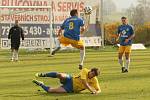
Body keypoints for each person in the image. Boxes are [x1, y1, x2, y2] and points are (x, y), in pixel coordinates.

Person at [32, 68, 101, 94]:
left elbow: (99, 90)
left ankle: (41, 84)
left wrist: (96, 92)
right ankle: (43, 75)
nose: (92, 75)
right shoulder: (85, 70)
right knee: (60, 75)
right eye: (92, 73)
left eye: (94, 75)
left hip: (70, 89)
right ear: (91, 70)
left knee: (51, 91)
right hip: (70, 79)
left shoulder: (94, 80)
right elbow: (84, 82)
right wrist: (91, 90)